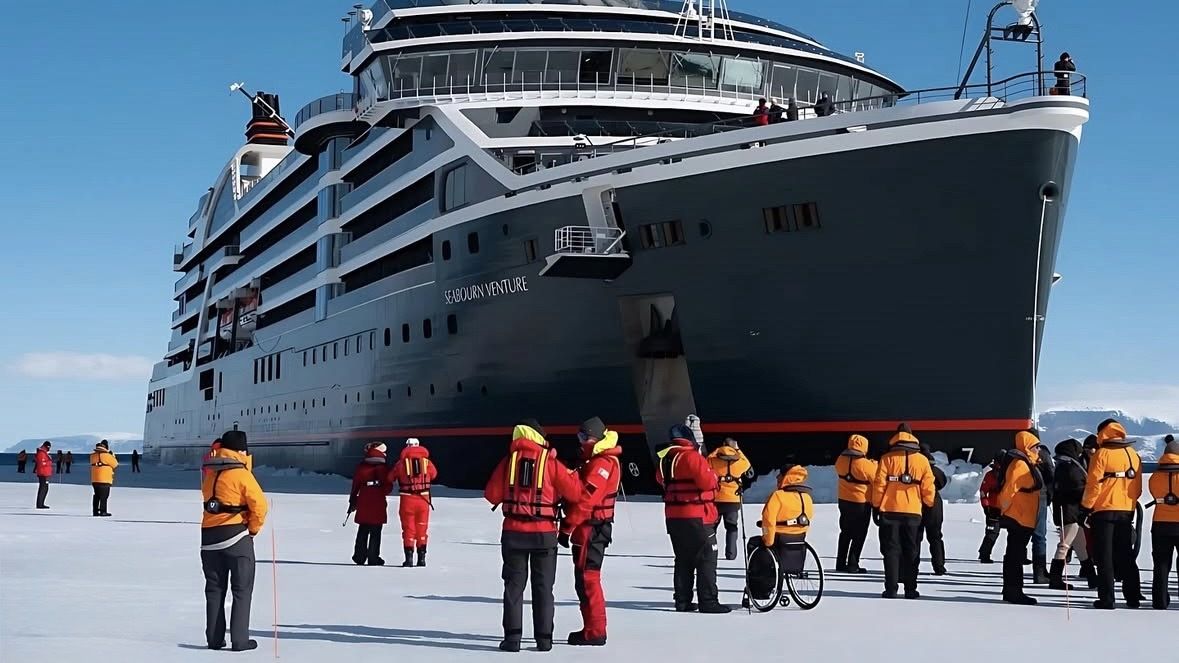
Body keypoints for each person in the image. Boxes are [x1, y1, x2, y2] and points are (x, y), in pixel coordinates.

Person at [484, 420, 581, 653]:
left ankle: (512, 639)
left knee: (513, 587)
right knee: (544, 588)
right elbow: (575, 493)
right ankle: (544, 639)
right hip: (544, 535)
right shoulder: (551, 463)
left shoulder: (508, 462)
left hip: (513, 534)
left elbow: (491, 495)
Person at [200, 429, 267, 651]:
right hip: (236, 537)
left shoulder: (210, 475)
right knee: (241, 590)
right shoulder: (242, 475)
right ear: (242, 451)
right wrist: (253, 530)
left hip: (208, 539)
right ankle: (239, 640)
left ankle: (214, 639)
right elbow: (259, 506)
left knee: (214, 590)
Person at [559, 417, 622, 647]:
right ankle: (591, 627)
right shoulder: (597, 461)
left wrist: (567, 526)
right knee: (584, 580)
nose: (581, 442)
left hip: (591, 529)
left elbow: (586, 500)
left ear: (595, 439)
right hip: (591, 529)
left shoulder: (602, 464)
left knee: (588, 579)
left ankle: (595, 631)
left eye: (584, 438)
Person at [657, 424, 729, 613]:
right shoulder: (692, 457)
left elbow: (660, 479)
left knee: (683, 558)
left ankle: (682, 601)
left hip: (673, 517)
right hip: (697, 516)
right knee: (707, 557)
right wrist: (713, 475)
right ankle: (708, 601)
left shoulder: (666, 459)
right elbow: (707, 482)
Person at [1080, 418, 1143, 609]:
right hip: (1126, 510)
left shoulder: (1101, 454)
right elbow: (1138, 487)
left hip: (1104, 511)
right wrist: (1129, 503)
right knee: (1126, 554)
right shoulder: (1133, 455)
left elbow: (1093, 485)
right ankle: (1133, 596)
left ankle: (1107, 598)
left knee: (1104, 556)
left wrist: (1086, 507)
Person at [871, 423, 935, 599]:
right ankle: (910, 588)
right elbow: (929, 488)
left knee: (891, 551)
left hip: (889, 511)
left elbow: (879, 486)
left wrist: (876, 505)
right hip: (913, 513)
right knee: (911, 551)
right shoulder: (922, 460)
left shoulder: (886, 459)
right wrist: (928, 505)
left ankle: (891, 588)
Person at [997, 430, 1044, 605]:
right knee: (1015, 556)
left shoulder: (1027, 463)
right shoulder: (1020, 465)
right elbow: (1008, 491)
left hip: (1023, 516)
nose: (1038, 450)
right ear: (1027, 446)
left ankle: (1011, 590)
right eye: (1036, 446)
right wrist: (1005, 511)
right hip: (1018, 516)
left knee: (1015, 554)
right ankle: (1013, 591)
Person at [1050, 438, 1095, 590]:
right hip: (1071, 512)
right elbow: (1078, 488)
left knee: (1081, 546)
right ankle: (1055, 579)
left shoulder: (1061, 466)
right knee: (1065, 545)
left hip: (1069, 512)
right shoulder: (1070, 468)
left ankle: (1092, 578)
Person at [390, 438, 437, 567]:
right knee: (422, 528)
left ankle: (409, 559)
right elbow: (433, 475)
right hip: (424, 499)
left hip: (407, 500)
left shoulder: (401, 464)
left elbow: (390, 477)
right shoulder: (427, 463)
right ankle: (422, 559)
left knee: (408, 529)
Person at [834, 434, 877, 573]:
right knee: (859, 534)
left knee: (845, 532)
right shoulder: (866, 465)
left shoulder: (840, 460)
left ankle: (840, 563)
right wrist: (874, 464)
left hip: (844, 501)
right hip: (861, 503)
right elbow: (876, 478)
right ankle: (853, 563)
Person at [760, 464, 814, 569]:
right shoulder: (807, 497)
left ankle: (760, 580)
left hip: (779, 536)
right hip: (799, 537)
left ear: (785, 477)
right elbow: (808, 517)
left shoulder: (777, 496)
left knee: (755, 544)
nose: (777, 477)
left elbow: (768, 520)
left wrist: (768, 540)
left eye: (779, 474)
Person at [706, 437, 751, 561]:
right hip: (733, 500)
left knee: (711, 527)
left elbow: (706, 461)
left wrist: (717, 450)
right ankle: (731, 554)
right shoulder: (739, 462)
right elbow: (747, 465)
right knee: (732, 527)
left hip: (716, 499)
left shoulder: (714, 460)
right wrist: (737, 449)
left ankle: (710, 550)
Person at [348, 442, 392, 566]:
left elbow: (355, 484)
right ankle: (373, 558)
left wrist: (353, 500)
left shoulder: (361, 466)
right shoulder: (383, 467)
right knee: (376, 531)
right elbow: (387, 487)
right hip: (378, 500)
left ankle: (359, 556)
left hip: (364, 498)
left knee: (363, 528)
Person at [1149, 435, 1179, 609]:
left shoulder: (1154, 477)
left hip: (1160, 523)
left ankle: (1159, 600)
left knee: (1161, 564)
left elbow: (1153, 494)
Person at [918, 443, 948, 576]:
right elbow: (943, 482)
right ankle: (939, 566)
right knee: (935, 537)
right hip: (935, 505)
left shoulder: (916, 468)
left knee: (914, 538)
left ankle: (912, 565)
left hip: (917, 504)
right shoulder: (936, 470)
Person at [1031, 442, 1055, 584]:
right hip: (1040, 497)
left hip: (1021, 499)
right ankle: (1039, 572)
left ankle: (1013, 574)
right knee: (1039, 536)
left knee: (1018, 537)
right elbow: (1050, 474)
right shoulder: (1043, 453)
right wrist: (1050, 496)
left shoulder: (1017, 452)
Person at [977, 451, 1005, 563]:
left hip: (1008, 508)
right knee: (992, 533)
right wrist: (986, 507)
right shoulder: (990, 475)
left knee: (1016, 534)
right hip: (994, 509)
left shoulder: (1010, 473)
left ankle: (1020, 556)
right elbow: (983, 491)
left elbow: (983, 492)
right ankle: (984, 554)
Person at [89, 440, 119, 517]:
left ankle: (95, 511)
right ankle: (103, 511)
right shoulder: (107, 456)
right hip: (105, 479)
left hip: (95, 479)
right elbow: (115, 464)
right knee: (104, 496)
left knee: (97, 495)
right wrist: (112, 456)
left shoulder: (92, 456)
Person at [34, 441, 53, 509]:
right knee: (43, 488)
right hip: (43, 473)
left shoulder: (44, 453)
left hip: (46, 473)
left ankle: (41, 503)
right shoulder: (41, 453)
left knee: (45, 488)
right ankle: (40, 504)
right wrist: (49, 462)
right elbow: (42, 463)